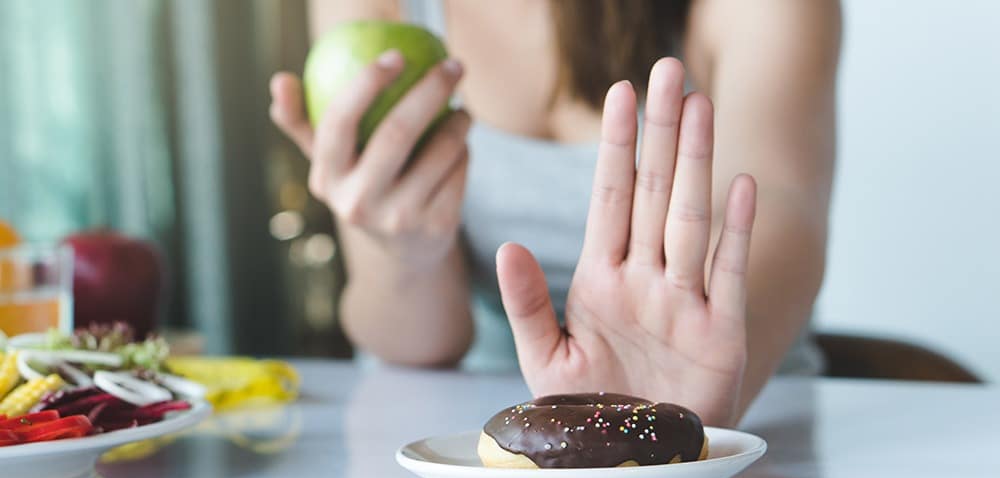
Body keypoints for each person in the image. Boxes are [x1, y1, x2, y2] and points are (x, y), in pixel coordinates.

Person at [270, 0, 840, 427]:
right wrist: (405, 252)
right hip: (470, 437)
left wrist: (679, 401)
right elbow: (422, 346)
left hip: (740, 418)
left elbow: (783, 209)